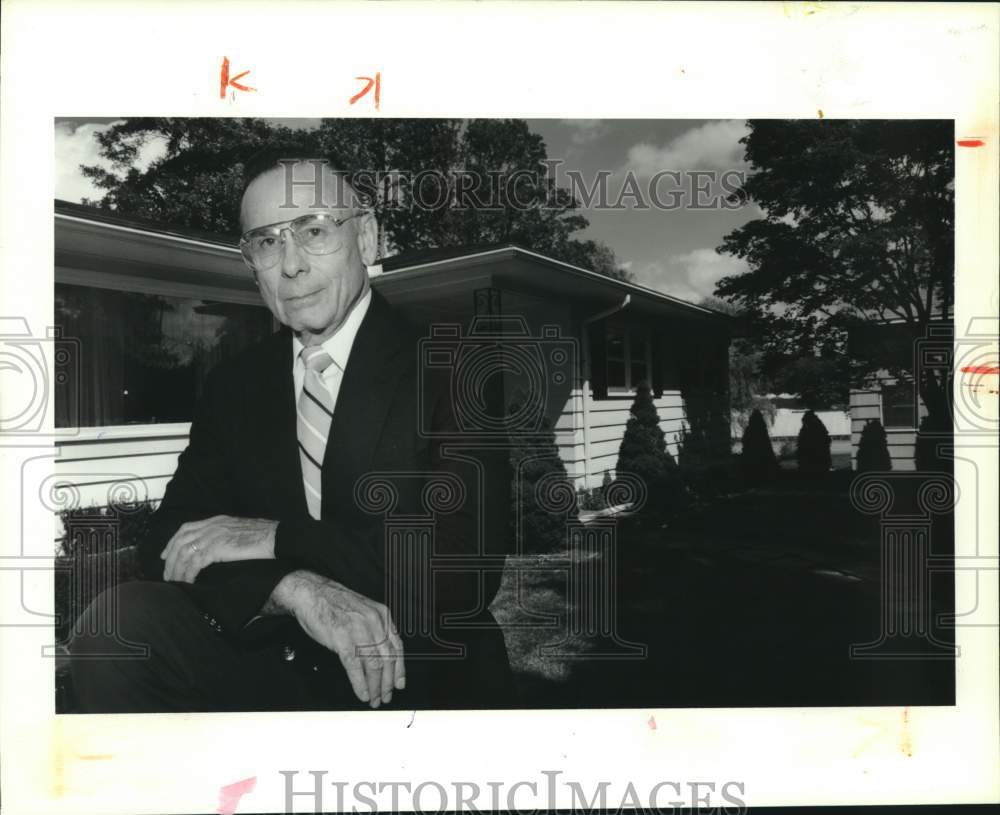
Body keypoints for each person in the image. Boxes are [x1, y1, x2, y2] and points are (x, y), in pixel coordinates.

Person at [70, 154, 515, 712]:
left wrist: (277, 537)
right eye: (266, 242)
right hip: (271, 659)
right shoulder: (235, 384)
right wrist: (294, 588)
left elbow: (461, 564)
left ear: (369, 239)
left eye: (313, 230)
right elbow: (170, 540)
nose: (291, 265)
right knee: (118, 624)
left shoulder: (454, 362)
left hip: (415, 667)